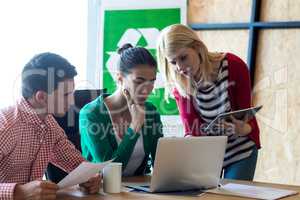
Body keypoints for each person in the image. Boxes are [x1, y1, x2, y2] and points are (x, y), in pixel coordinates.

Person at [156, 24, 261, 181]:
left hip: (240, 149)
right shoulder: (179, 84)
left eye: (183, 57)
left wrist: (242, 128)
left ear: (197, 47)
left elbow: (248, 121)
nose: (180, 67)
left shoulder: (234, 66)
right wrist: (187, 142)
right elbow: (192, 130)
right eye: (173, 62)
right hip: (207, 153)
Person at [0, 53, 101, 200]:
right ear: (41, 97)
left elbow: (73, 161)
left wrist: (90, 176)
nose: (72, 101)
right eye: (66, 95)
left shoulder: (49, 124)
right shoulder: (6, 126)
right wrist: (20, 192)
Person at [80, 44, 163, 176]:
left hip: (138, 191)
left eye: (152, 81)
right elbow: (109, 171)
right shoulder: (91, 114)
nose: (147, 89)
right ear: (119, 78)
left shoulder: (150, 111)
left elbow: (160, 163)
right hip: (101, 191)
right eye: (139, 81)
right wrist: (135, 127)